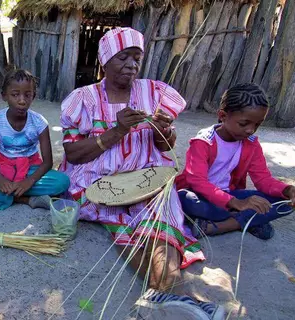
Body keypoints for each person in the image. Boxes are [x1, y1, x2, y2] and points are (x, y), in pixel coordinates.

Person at [59, 27, 222, 318]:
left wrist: (165, 130)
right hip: (100, 180)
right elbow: (73, 154)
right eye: (123, 57)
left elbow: (165, 144)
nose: (132, 65)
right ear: (104, 62)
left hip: (149, 177)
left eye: (136, 58)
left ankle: (166, 300)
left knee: (160, 219)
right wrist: (118, 130)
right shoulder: (82, 99)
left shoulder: (155, 93)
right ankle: (182, 302)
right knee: (123, 218)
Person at [176, 83, 295, 240]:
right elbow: (197, 182)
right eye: (244, 124)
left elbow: (263, 180)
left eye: (257, 124)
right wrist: (236, 203)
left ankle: (224, 225)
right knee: (185, 199)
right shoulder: (203, 142)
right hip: (201, 196)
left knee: (286, 203)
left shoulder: (251, 143)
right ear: (223, 116)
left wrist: (288, 190)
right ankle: (247, 221)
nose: (250, 129)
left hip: (230, 196)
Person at [0, 69, 69, 210]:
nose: (22, 100)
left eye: (27, 95)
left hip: (30, 168)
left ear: (33, 96)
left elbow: (47, 163)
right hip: (3, 168)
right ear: (4, 96)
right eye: (15, 95)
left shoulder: (40, 122)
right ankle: (26, 199)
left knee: (62, 182)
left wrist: (29, 181)